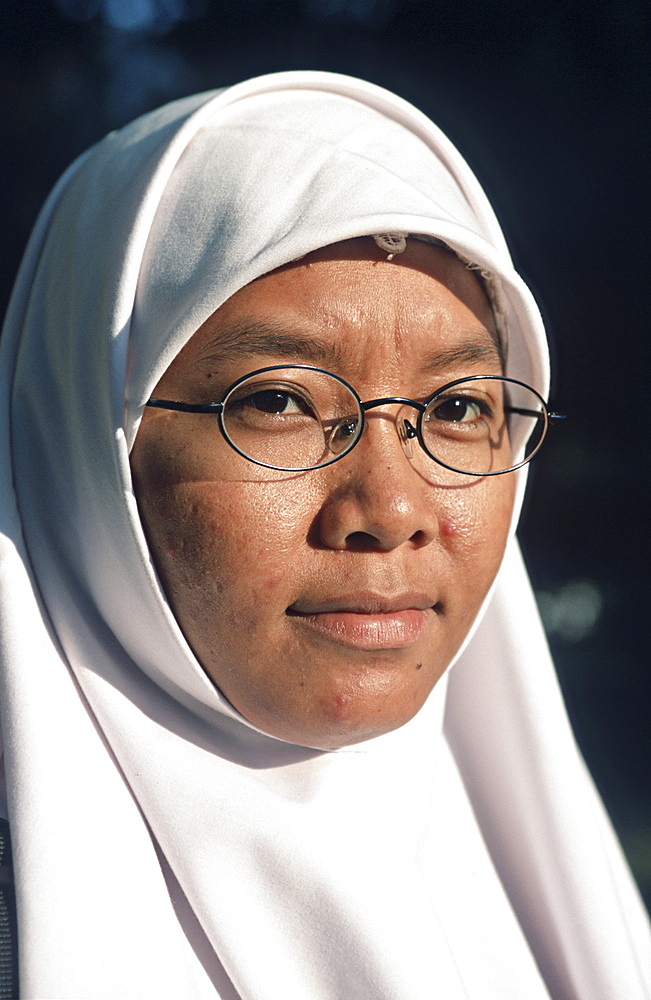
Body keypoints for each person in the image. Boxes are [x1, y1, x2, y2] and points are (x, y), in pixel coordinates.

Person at [0, 70, 648, 999]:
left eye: (461, 406)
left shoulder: (540, 894)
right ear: (84, 443)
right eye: (278, 401)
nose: (389, 510)